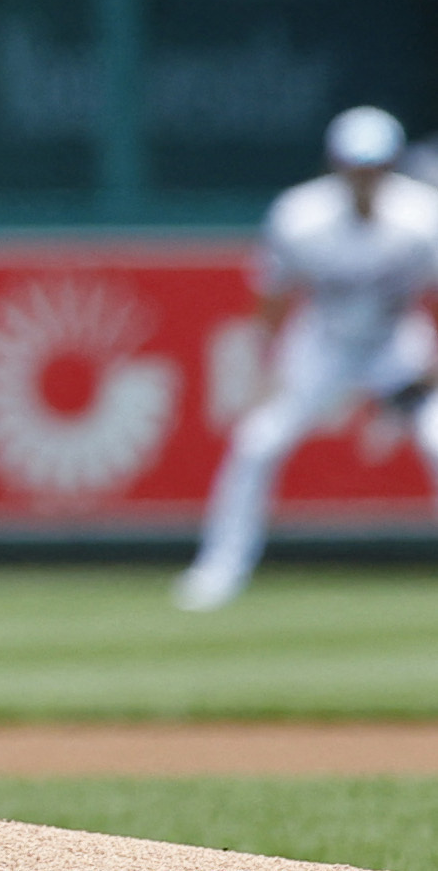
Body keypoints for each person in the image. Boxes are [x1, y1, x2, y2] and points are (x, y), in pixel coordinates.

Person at [173, 107, 438, 612]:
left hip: (394, 342)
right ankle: (220, 569)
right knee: (257, 442)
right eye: (356, 167)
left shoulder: (424, 214)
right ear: (335, 165)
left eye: (376, 166)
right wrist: (265, 365)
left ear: (394, 165)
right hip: (323, 344)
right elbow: (273, 298)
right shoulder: (300, 215)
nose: (365, 178)